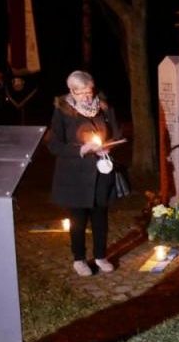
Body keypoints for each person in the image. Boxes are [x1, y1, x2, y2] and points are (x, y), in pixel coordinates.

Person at [47, 70, 123, 277]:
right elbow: (54, 145)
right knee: (78, 220)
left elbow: (117, 132)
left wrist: (108, 146)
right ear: (72, 91)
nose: (88, 98)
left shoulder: (103, 107)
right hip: (75, 175)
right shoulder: (62, 111)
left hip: (101, 172)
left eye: (89, 92)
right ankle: (79, 259)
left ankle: (100, 256)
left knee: (100, 218)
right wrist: (81, 149)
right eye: (81, 94)